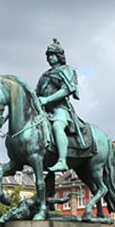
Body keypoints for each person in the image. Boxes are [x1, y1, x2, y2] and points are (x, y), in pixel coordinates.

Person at [36, 39, 86, 173]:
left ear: (59, 56)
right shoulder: (44, 75)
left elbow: (66, 89)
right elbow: (37, 93)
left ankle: (62, 161)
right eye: (48, 56)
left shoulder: (67, 70)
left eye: (52, 55)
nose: (49, 58)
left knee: (58, 126)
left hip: (61, 109)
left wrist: (47, 99)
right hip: (44, 112)